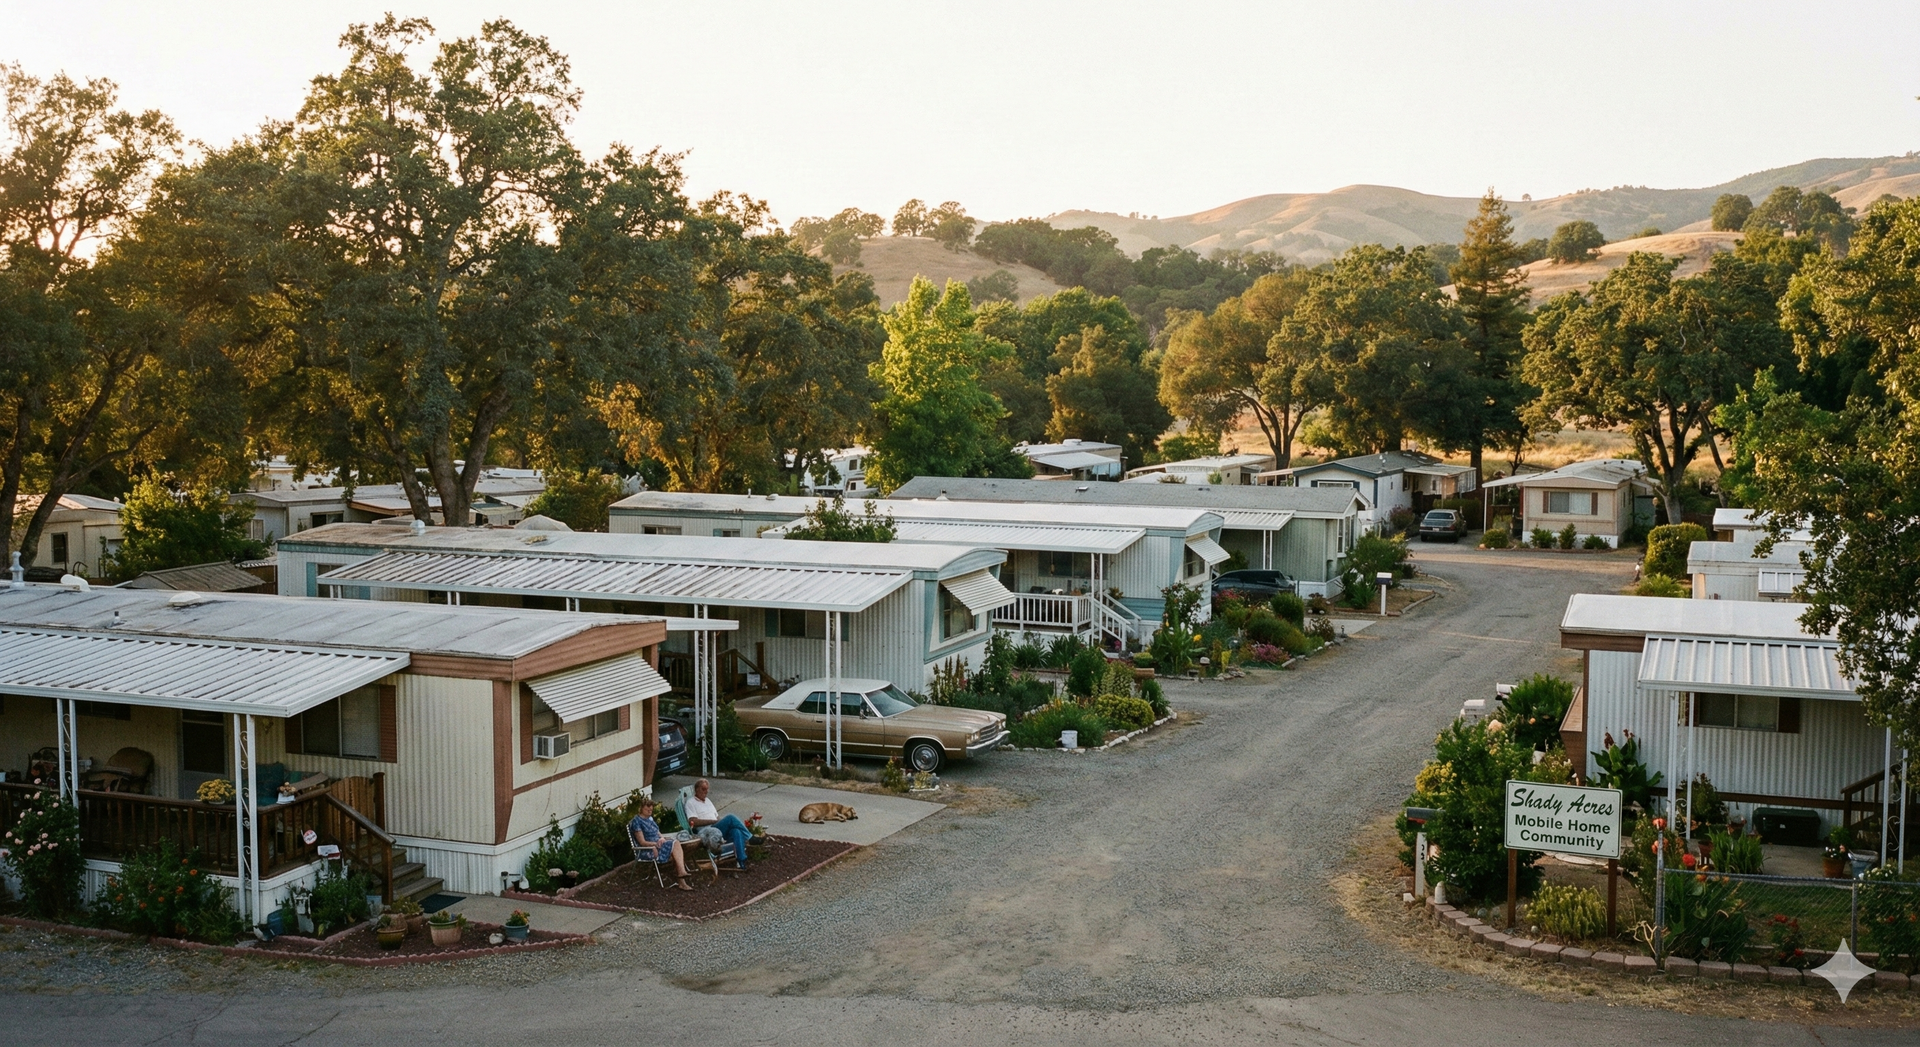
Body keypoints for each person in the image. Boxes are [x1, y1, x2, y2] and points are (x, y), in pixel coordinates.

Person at [629, 797, 702, 890]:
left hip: (658, 845)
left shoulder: (650, 819)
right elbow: (642, 842)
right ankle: (681, 876)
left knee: (677, 846)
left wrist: (662, 838)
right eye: (647, 809)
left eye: (651, 809)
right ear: (641, 808)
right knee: (675, 846)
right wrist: (653, 845)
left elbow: (658, 833)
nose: (650, 811)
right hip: (648, 849)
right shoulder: (637, 822)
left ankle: (681, 876)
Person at [684, 778, 754, 870]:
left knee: (736, 831)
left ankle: (742, 861)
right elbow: (693, 821)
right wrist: (713, 821)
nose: (706, 792)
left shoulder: (708, 801)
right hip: (707, 832)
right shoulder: (691, 803)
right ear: (696, 789)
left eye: (707, 789)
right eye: (703, 789)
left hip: (717, 828)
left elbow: (717, 817)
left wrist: (720, 822)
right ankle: (750, 837)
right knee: (730, 817)